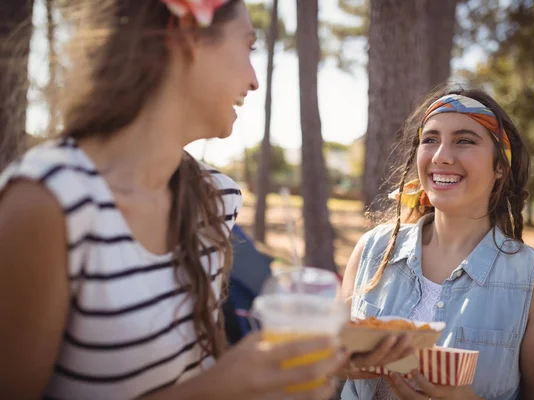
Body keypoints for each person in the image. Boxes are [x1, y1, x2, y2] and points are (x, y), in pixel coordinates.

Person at [0, 1, 354, 399]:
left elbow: (200, 367)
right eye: (249, 47)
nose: (255, 81)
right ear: (188, 35)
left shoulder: (217, 198)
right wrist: (222, 385)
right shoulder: (48, 204)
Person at [340, 88, 534, 399]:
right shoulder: (372, 251)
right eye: (431, 139)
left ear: (500, 166)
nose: (441, 156)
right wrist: (342, 362)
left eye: (464, 140)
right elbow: (327, 362)